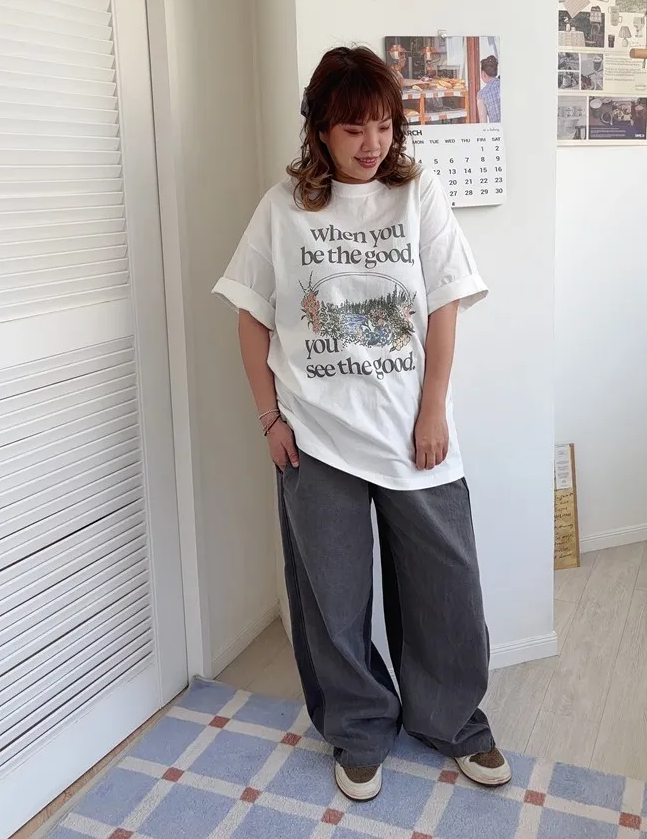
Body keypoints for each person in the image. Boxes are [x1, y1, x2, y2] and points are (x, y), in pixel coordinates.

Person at [213, 46, 510, 803]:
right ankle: (359, 727)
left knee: (447, 586)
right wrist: (268, 419)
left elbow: (444, 304)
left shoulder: (418, 193)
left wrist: (433, 408)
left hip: (414, 433)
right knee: (333, 602)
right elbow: (250, 318)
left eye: (383, 124)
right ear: (320, 130)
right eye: (354, 128)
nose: (372, 143)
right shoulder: (283, 208)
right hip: (316, 436)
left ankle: (453, 719)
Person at [476, 54, 501, 123]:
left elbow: (483, 123)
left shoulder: (481, 94)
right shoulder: (506, 85)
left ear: (483, 74)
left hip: (496, 129)